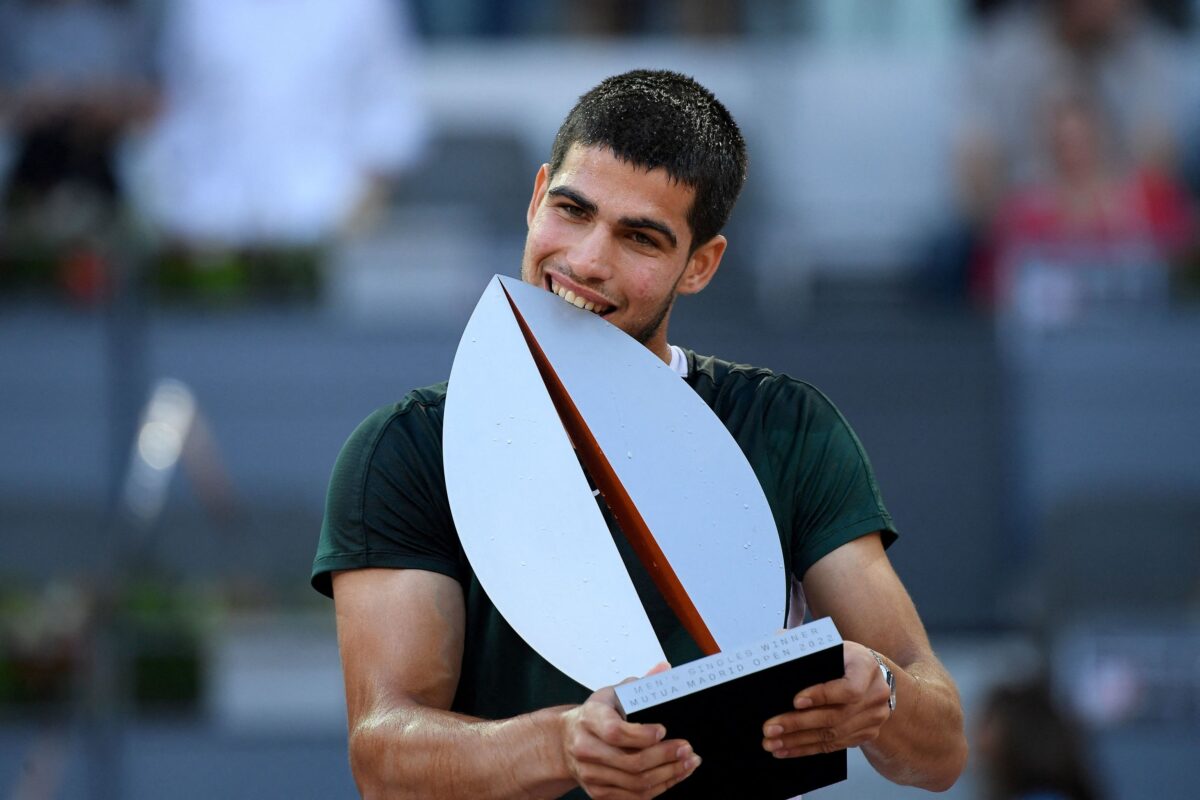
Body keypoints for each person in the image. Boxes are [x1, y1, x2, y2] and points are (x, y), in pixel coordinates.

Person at [312, 69, 967, 799]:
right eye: (571, 210)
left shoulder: (786, 428)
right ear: (535, 198)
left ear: (702, 266)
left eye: (641, 238)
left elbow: (938, 752)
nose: (588, 260)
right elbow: (383, 756)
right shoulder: (406, 449)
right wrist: (561, 742)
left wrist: (879, 695)